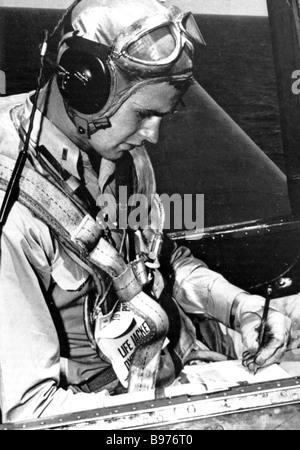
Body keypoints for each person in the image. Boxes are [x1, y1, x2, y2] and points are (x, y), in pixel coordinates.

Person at [0, 0, 295, 423]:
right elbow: (31, 414)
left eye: (163, 115)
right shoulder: (12, 205)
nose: (153, 136)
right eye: (143, 114)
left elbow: (161, 261)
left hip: (174, 366)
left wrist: (241, 307)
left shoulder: (121, 154)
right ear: (85, 86)